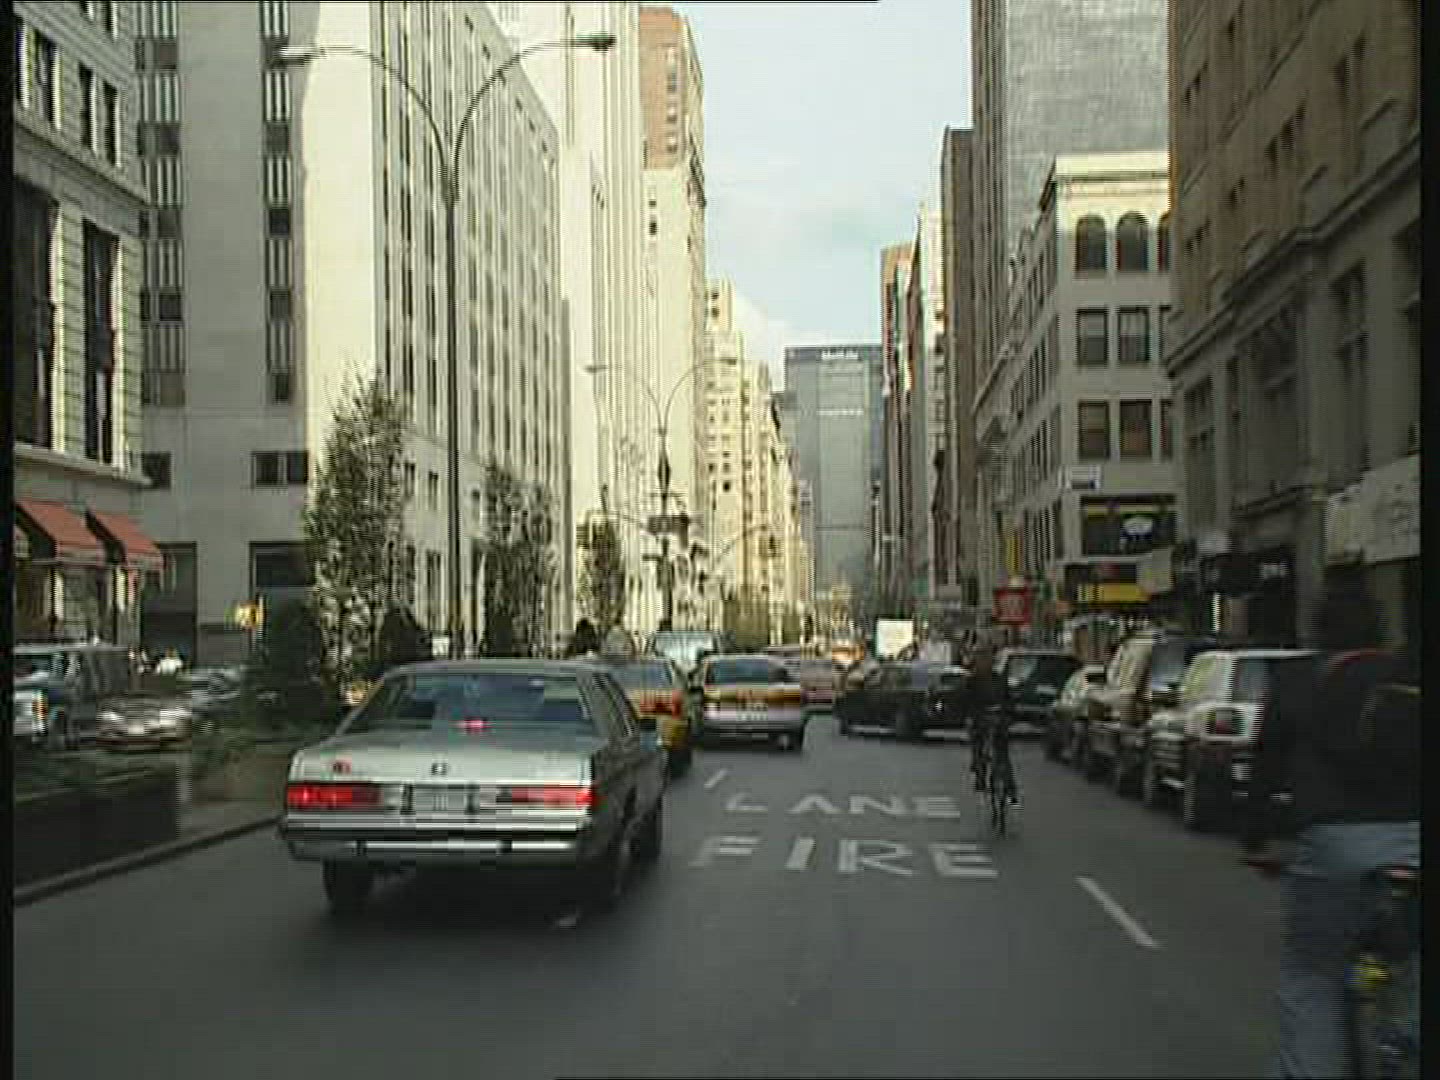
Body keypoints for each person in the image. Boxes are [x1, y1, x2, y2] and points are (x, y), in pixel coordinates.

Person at [1241, 577, 1421, 1078]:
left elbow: (1266, 768)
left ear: (1319, 631)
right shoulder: (1410, 673)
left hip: (1335, 844)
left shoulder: (1298, 680)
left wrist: (1256, 839)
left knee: (1312, 975)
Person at [966, 644, 1017, 805]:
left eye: (986, 658)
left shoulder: (999, 679)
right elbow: (964, 701)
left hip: (998, 719)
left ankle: (1009, 789)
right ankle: (980, 775)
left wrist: (1009, 715)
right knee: (978, 744)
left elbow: (1009, 699)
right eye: (981, 658)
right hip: (980, 718)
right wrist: (970, 716)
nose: (984, 662)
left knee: (1002, 753)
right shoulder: (971, 680)